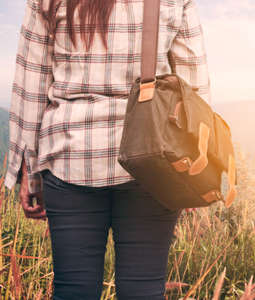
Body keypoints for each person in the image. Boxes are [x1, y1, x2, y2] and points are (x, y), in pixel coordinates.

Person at [5, 0, 210, 299]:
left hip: (69, 156)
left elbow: (31, 86)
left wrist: (29, 174)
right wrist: (190, 174)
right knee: (144, 291)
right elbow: (194, 88)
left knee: (73, 291)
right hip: (152, 163)